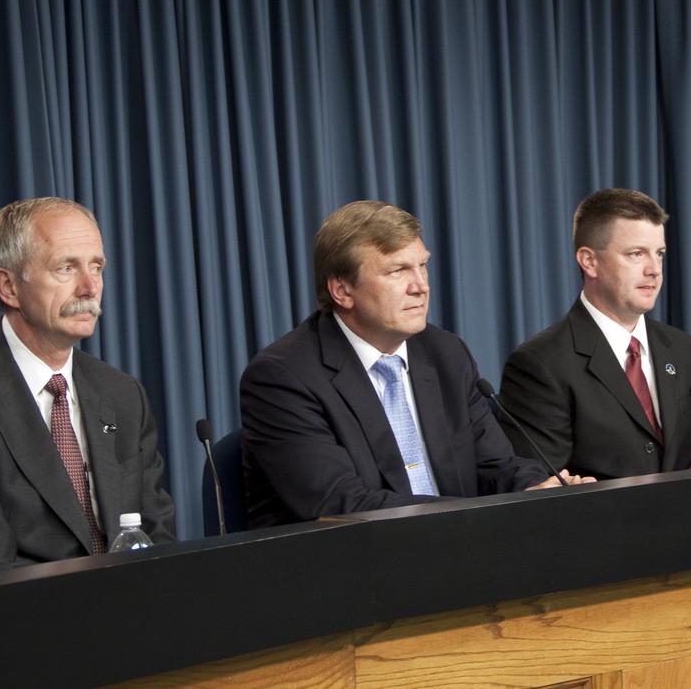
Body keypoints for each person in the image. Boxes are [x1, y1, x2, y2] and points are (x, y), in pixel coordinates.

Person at [240, 201, 587, 527]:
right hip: (348, 571)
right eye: (397, 270)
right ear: (342, 290)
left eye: (422, 265)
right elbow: (340, 504)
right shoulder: (284, 376)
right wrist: (472, 516)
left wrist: (537, 489)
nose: (420, 286)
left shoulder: (445, 353)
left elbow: (495, 464)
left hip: (460, 554)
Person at [0, 198, 175, 577]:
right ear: (9, 286)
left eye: (97, 267)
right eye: (66, 268)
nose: (90, 287)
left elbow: (155, 535)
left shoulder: (122, 393)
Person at [498, 188, 691, 480]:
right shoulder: (540, 364)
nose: (654, 270)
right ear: (589, 261)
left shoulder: (686, 350)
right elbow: (542, 482)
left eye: (659, 254)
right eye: (636, 254)